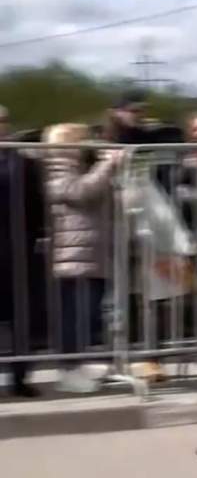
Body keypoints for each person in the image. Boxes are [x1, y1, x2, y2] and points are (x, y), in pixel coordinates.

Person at [42, 123, 125, 393]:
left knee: (89, 316)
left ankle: (78, 363)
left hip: (91, 252)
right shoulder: (58, 168)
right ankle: (68, 370)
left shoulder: (80, 167)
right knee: (76, 316)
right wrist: (106, 165)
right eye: (85, 139)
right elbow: (80, 192)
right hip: (74, 255)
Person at [0, 107, 47, 398]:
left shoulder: (24, 162)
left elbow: (36, 204)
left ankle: (20, 377)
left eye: (2, 121)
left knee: (23, 316)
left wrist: (36, 235)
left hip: (19, 248)